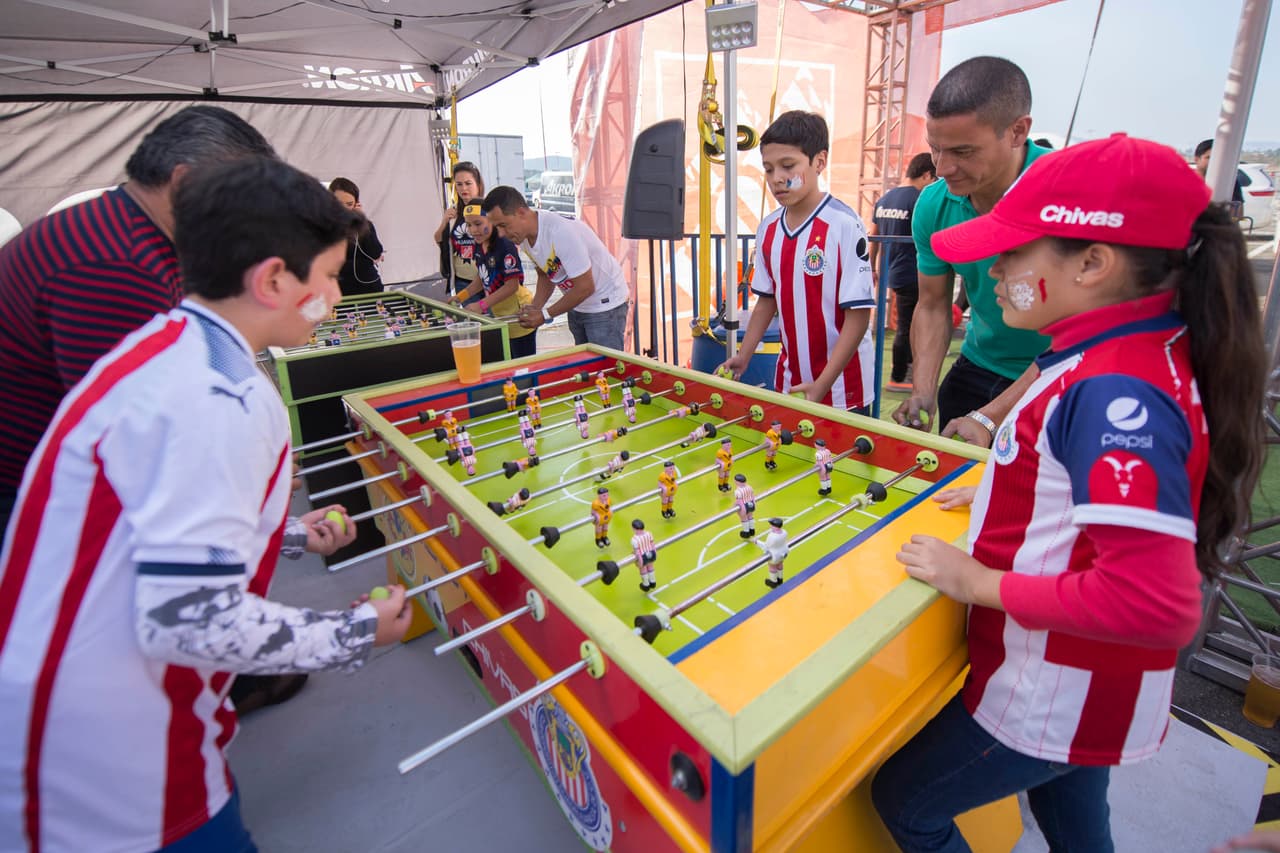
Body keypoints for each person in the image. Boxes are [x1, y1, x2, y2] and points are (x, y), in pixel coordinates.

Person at [0, 156, 414, 853]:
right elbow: (186, 620)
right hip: (112, 766)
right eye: (329, 275)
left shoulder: (169, 346)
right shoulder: (223, 397)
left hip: (86, 723)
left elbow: (149, 521)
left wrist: (281, 531)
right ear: (275, 279)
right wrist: (352, 632)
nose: (337, 298)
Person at [872, 134, 1266, 853]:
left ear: (1093, 262)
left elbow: (1157, 603)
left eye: (1015, 251)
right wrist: (1002, 496)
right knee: (1074, 819)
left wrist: (976, 578)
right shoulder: (1134, 348)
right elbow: (1075, 486)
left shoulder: (1116, 391)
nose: (993, 269)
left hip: (1054, 691)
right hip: (1090, 698)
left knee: (905, 799)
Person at [0, 105, 275, 537]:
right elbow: (134, 434)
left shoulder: (124, 227)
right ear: (184, 181)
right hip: (26, 493)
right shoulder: (116, 261)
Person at [892, 57, 1054, 444]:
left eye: (963, 152)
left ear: (1018, 131)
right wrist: (923, 389)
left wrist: (992, 417)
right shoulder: (934, 204)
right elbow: (932, 303)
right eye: (935, 149)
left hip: (1057, 375)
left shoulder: (1064, 195)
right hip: (979, 365)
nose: (944, 167)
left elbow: (1085, 334)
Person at [718, 110, 876, 412]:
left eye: (787, 166)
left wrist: (823, 384)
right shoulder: (768, 228)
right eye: (768, 169)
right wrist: (744, 354)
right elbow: (766, 300)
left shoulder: (844, 224)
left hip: (843, 388)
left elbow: (858, 316)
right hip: (791, 382)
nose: (777, 178)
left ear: (819, 162)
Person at [480, 186, 630, 351]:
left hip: (605, 304)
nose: (501, 234)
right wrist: (536, 306)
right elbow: (546, 274)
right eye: (497, 228)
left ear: (521, 212)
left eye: (503, 225)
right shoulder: (523, 236)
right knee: (587, 365)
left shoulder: (559, 232)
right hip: (578, 303)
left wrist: (545, 315)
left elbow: (586, 287)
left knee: (605, 369)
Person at [869, 152, 936, 391]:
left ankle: (903, 370)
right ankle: (899, 375)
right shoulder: (920, 198)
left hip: (892, 270)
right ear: (927, 174)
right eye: (934, 179)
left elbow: (874, 235)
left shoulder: (885, 198)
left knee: (908, 324)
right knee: (910, 326)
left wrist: (873, 266)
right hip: (913, 272)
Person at [450, 202, 538, 357]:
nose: (473, 230)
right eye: (468, 225)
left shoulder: (505, 245)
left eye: (478, 224)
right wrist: (459, 298)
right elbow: (482, 277)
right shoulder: (479, 243)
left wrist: (482, 304)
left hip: (519, 315)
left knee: (524, 368)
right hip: (502, 316)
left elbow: (512, 286)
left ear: (491, 220)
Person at [433, 160, 485, 301]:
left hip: (488, 278)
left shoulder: (489, 210)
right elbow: (439, 240)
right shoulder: (454, 212)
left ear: (478, 184)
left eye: (468, 183)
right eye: (459, 184)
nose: (464, 189)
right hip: (463, 280)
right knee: (471, 320)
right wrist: (444, 221)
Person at [328, 177, 384, 295]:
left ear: (356, 204)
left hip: (369, 287)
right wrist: (364, 262)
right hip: (338, 291)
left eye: (349, 204)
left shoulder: (365, 225)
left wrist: (362, 221)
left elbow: (375, 252)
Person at [1193, 138, 1245, 206]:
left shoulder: (1230, 183)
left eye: (1218, 158)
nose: (1214, 161)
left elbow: (1238, 210)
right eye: (1209, 157)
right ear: (1196, 159)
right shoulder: (1183, 181)